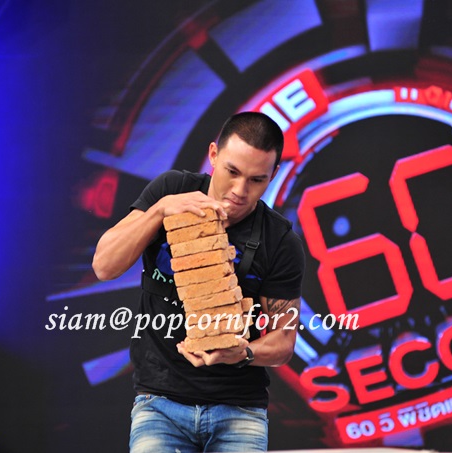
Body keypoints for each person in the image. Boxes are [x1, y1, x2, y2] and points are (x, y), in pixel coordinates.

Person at [92, 111, 305, 452]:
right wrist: (160, 210)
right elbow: (104, 266)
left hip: (240, 409)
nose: (239, 191)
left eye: (256, 180)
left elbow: (284, 341)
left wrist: (242, 353)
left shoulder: (279, 240)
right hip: (159, 403)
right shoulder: (171, 190)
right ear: (213, 155)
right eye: (232, 172)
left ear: (273, 175)